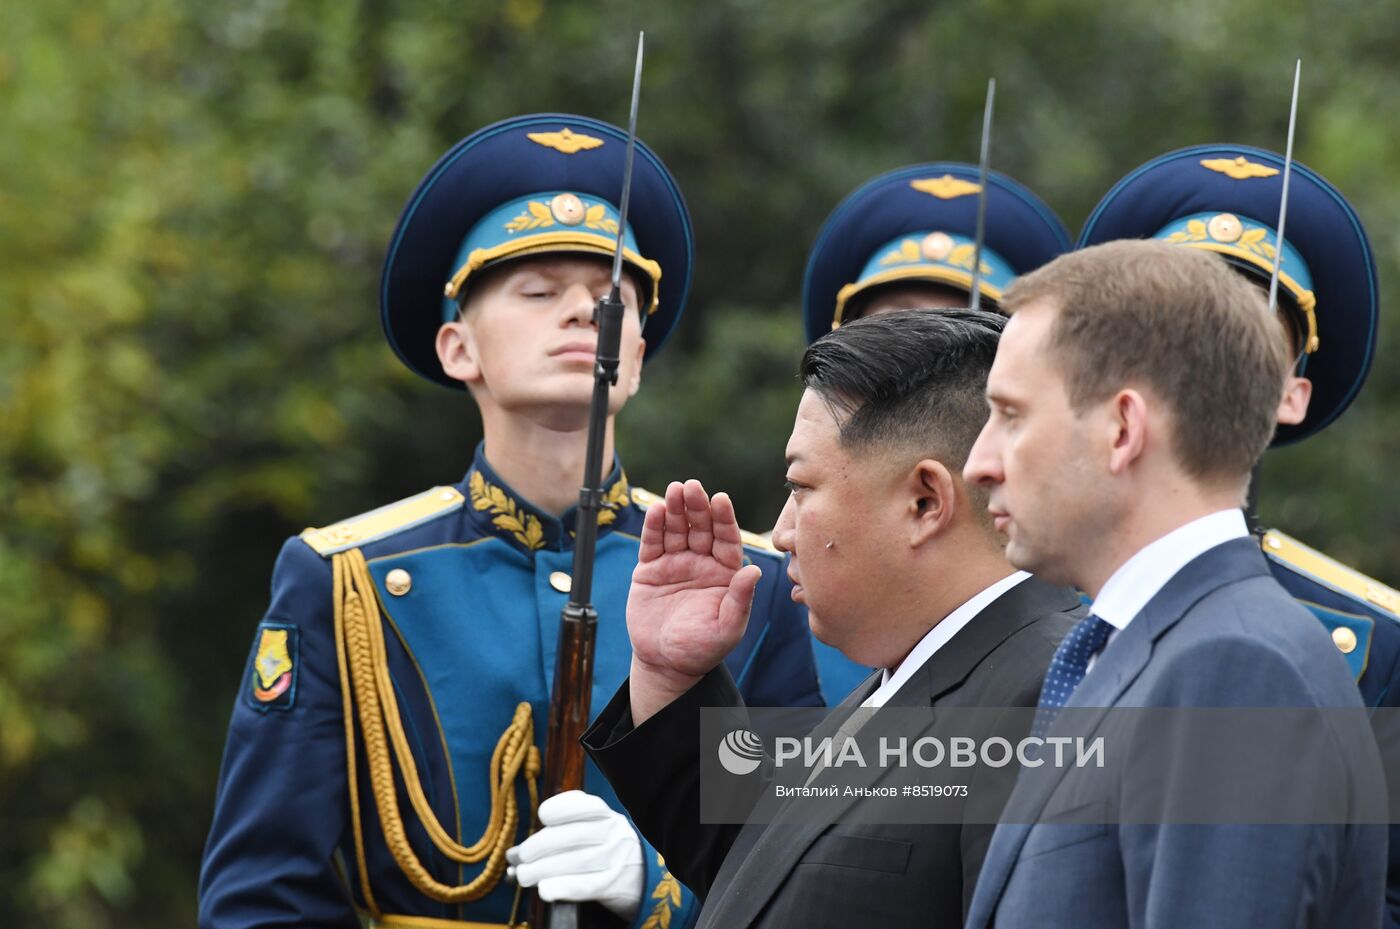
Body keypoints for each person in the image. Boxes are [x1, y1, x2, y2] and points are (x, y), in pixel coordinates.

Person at [198, 112, 822, 929]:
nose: (582, 314)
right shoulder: (343, 581)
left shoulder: (754, 583)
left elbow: (814, 877)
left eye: (611, 300)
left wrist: (656, 890)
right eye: (537, 292)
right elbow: (260, 899)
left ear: (635, 349)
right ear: (459, 348)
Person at [580, 309, 1085, 928]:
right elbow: (766, 874)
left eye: (802, 487)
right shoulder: (913, 677)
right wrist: (671, 677)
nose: (784, 532)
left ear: (925, 502)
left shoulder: (1053, 703)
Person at [962, 240, 1386, 929]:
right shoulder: (1165, 645)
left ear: (1123, 428)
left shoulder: (1236, 669)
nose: (979, 462)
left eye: (1010, 415)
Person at [1079, 143, 1400, 927]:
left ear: (1292, 393)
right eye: (1174, 324)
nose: (1203, 360)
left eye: (1245, 337)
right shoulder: (1016, 600)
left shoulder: (1373, 645)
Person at [800, 162, 1072, 701]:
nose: (933, 346)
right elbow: (774, 786)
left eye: (974, 326)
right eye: (895, 322)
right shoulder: (797, 596)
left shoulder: (1054, 680)